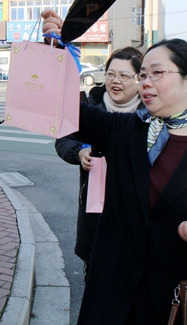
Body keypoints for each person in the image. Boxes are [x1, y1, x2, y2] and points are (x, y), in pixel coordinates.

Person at [42, 10, 187, 325]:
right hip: (111, 295)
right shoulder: (123, 130)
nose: (145, 82)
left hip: (176, 301)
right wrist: (56, 49)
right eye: (142, 75)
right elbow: (55, 103)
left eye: (156, 73)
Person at [55, 46, 143, 278]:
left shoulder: (151, 112)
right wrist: (79, 151)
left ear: (139, 78)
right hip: (95, 211)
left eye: (124, 76)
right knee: (96, 272)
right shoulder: (90, 105)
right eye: (111, 74)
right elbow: (63, 139)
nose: (115, 81)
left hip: (135, 211)